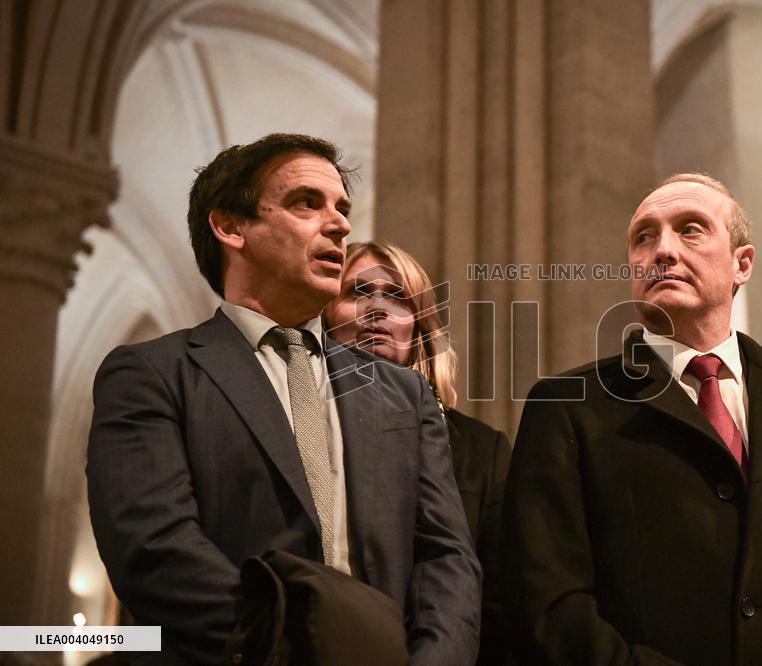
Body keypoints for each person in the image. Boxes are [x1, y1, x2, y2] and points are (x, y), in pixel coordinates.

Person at [87, 134, 481, 665]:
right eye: (306, 203)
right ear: (230, 226)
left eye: (342, 208)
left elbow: (447, 558)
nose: (340, 224)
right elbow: (153, 548)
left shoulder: (402, 392)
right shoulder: (155, 373)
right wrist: (289, 651)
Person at [503, 172, 762, 665]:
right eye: (644, 236)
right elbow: (546, 603)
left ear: (741, 263)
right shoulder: (567, 408)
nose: (662, 250)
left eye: (690, 229)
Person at [326, 241, 512, 666]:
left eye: (397, 298)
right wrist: (140, 644)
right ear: (325, 316)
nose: (376, 309)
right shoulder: (299, 421)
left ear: (420, 327)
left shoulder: (482, 451)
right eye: (357, 292)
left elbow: (501, 600)